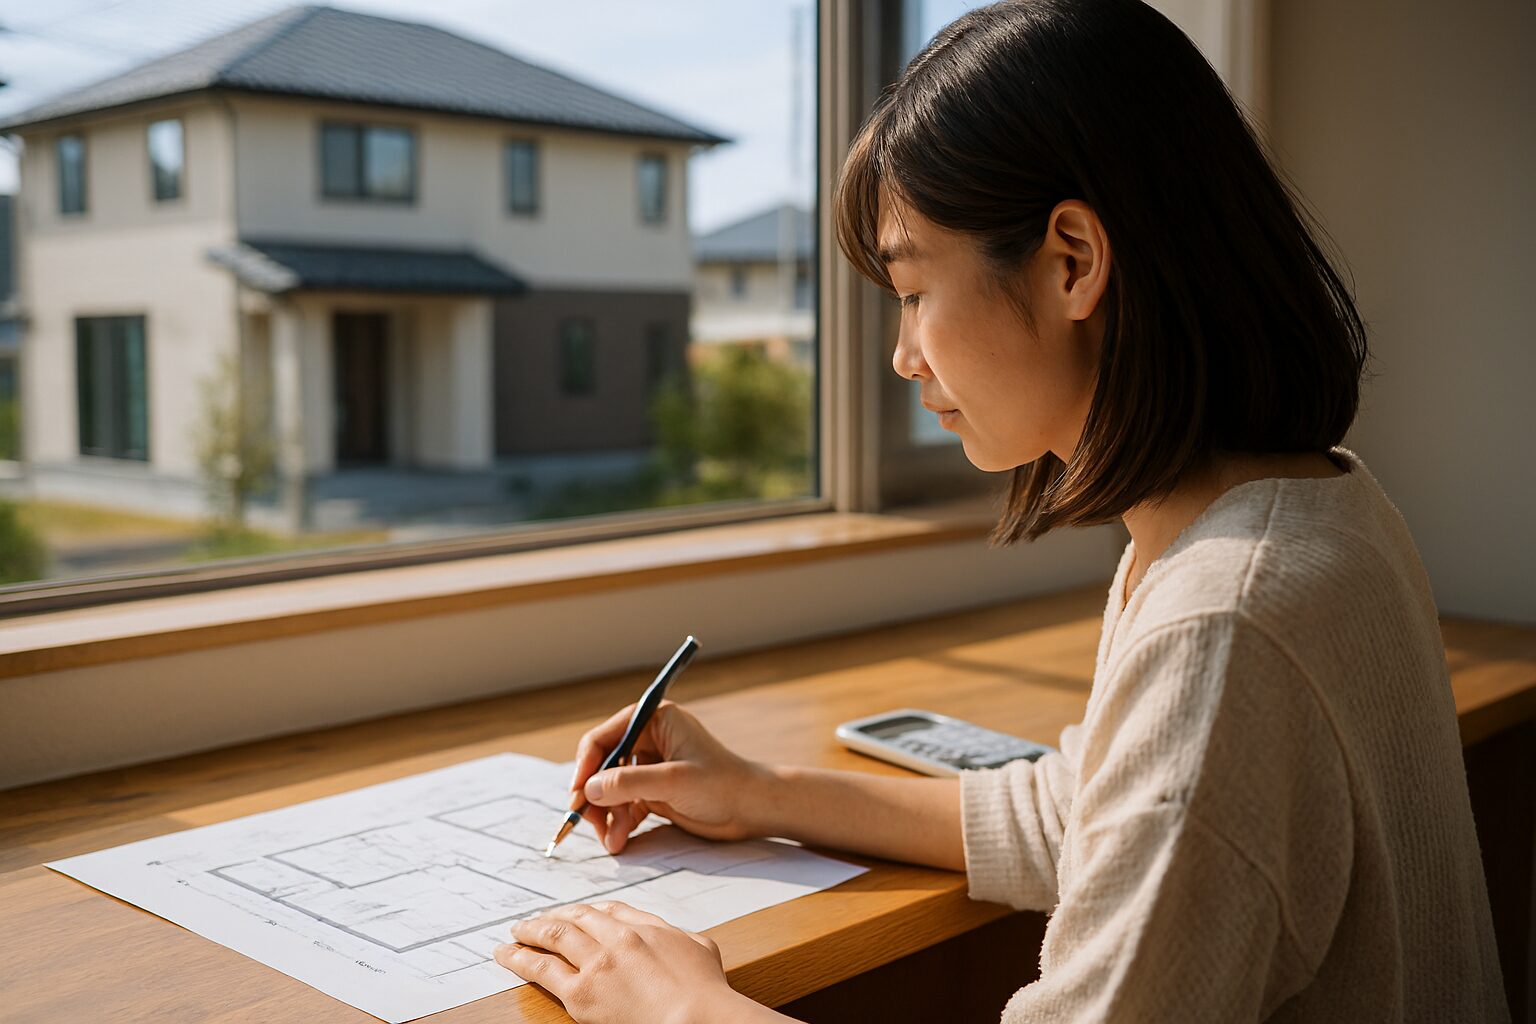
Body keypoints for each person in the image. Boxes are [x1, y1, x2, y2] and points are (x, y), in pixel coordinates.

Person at [492, 1, 1508, 1020]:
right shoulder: (1307, 508)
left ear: (1072, 259)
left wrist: (679, 1008)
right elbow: (1084, 816)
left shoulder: (1223, 618)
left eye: (912, 288)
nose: (903, 355)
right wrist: (761, 791)